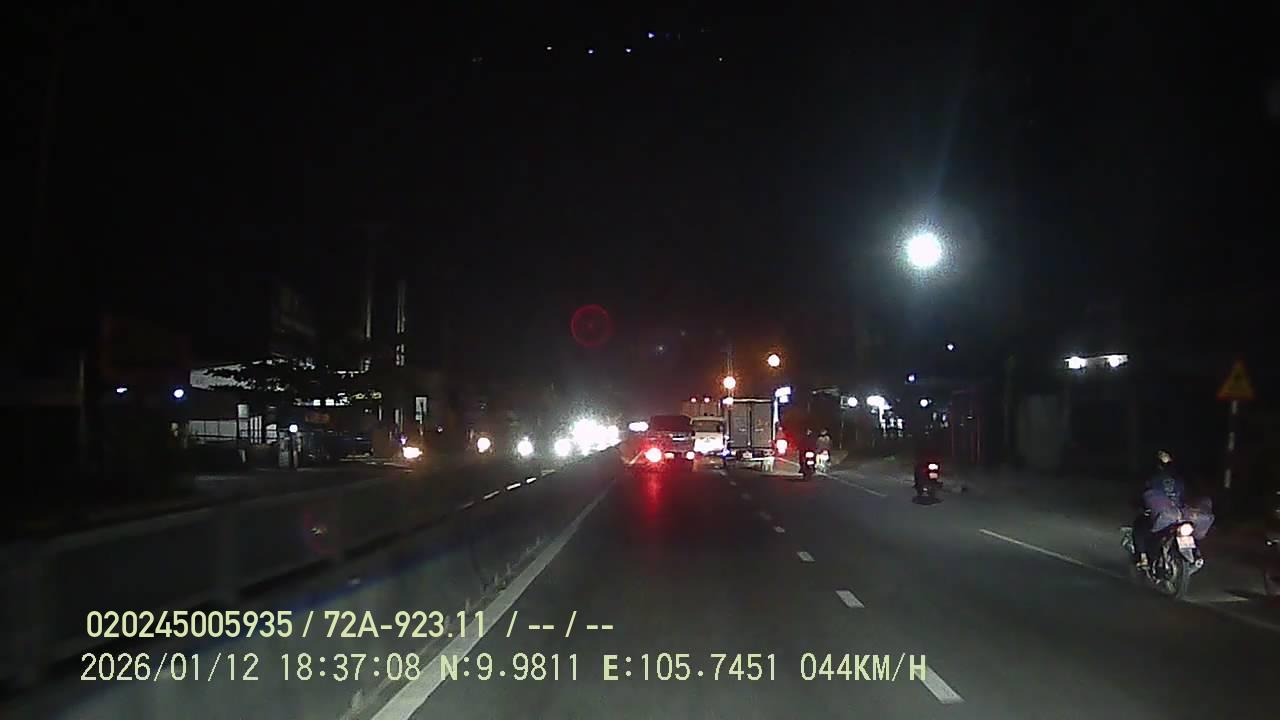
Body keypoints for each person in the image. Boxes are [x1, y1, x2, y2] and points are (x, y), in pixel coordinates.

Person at [1132, 450, 1211, 568]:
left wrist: (1139, 505)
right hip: (1179, 514)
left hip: (1166, 515)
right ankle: (1197, 554)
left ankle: (1143, 557)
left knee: (1139, 527)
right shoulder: (1180, 480)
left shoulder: (1151, 479)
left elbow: (1143, 495)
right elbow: (1186, 496)